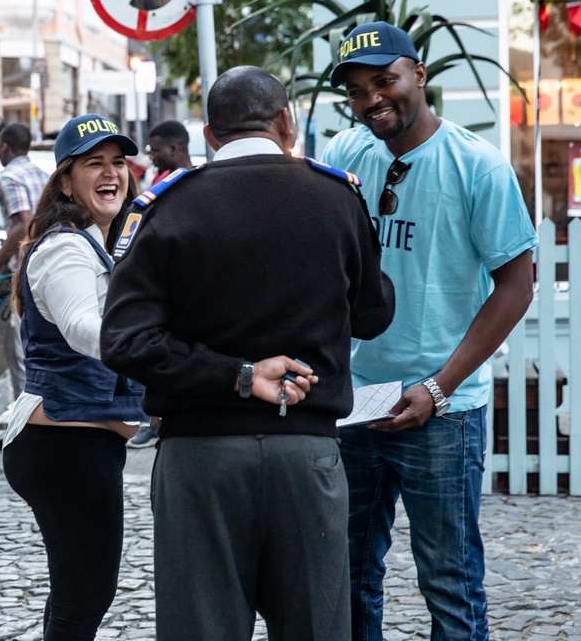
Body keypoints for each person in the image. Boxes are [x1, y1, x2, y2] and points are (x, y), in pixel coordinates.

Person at [101, 66, 395, 641]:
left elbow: (125, 342)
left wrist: (235, 375)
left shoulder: (164, 207)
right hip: (306, 453)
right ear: (286, 123)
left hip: (200, 457)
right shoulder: (337, 197)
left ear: (209, 136)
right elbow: (373, 315)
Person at [322, 21, 536, 641]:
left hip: (443, 410)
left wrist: (438, 388)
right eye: (357, 91)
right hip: (356, 403)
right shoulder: (342, 157)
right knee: (348, 573)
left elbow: (516, 288)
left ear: (419, 74)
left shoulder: (479, 167)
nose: (372, 101)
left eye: (384, 81)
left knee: (449, 580)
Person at [1, 113, 145, 641]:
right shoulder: (66, 245)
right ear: (65, 179)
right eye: (93, 164)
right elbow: (86, 328)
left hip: (75, 444)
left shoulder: (97, 241)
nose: (110, 174)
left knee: (78, 594)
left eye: (117, 162)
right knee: (84, 594)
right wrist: (162, 354)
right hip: (64, 444)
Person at [127, 120, 195, 448]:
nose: (152, 156)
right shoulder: (162, 179)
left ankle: (157, 422)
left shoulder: (188, 183)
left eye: (156, 150)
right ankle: (155, 421)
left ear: (175, 148)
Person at [0, 123, 50, 401]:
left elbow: (22, 225)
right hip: (46, 265)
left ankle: (27, 416)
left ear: (4, 147)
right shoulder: (40, 174)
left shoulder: (9, 177)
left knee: (21, 352)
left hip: (25, 272)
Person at [146, 120, 193, 185]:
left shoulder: (199, 183)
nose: (151, 157)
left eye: (155, 150)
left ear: (173, 149)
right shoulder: (160, 181)